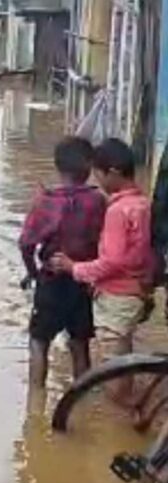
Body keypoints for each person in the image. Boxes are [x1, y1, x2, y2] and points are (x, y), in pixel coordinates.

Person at [52, 139, 155, 402]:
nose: (97, 181)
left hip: (117, 296)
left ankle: (117, 422)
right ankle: (128, 408)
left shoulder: (118, 211)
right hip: (134, 293)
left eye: (99, 174)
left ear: (114, 173)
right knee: (125, 357)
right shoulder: (142, 204)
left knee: (112, 367)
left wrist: (74, 267)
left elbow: (112, 262)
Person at [18, 137, 107, 388]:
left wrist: (33, 273)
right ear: (89, 167)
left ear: (57, 166)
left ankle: (35, 403)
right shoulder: (98, 201)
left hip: (51, 282)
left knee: (38, 341)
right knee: (80, 344)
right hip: (82, 281)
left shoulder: (46, 201)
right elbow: (104, 241)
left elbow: (26, 244)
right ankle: (82, 399)